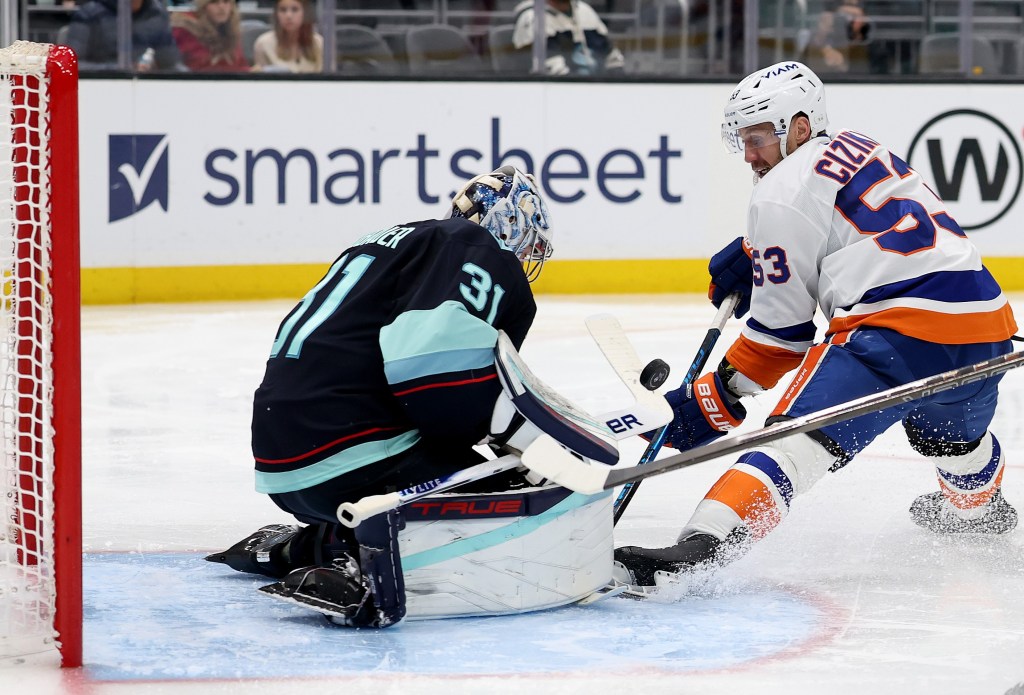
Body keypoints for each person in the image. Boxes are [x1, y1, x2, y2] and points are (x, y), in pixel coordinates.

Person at [614, 60, 1019, 589]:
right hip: (987, 328)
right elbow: (858, 225)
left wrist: (718, 395)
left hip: (895, 336)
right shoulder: (858, 145)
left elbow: (779, 340)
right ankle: (978, 512)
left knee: (793, 442)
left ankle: (700, 548)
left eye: (759, 138)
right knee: (952, 437)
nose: (749, 155)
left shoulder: (778, 191)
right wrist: (758, 252)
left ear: (800, 127)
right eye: (742, 140)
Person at [208, 166, 568, 628]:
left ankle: (301, 545)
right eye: (528, 245)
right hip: (354, 449)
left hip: (284, 452)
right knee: (518, 504)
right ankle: (346, 553)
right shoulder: (478, 248)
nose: (524, 259)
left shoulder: (390, 242)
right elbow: (429, 369)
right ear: (511, 227)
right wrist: (517, 437)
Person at [511, 0, 625, 76]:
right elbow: (553, 72)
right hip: (555, 98)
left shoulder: (584, 11)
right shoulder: (532, 17)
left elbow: (613, 58)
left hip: (598, 91)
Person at [64, 0, 182, 71]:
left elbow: (170, 63)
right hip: (100, 88)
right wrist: (117, 69)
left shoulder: (157, 14)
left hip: (146, 89)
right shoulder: (89, 15)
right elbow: (71, 65)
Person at [170, 0, 249, 72]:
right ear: (203, 7)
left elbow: (241, 67)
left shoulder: (231, 32)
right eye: (214, 2)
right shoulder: (183, 30)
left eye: (226, 1)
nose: (221, 7)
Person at [252, 0, 323, 73]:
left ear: (305, 13)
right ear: (276, 14)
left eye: (295, 9)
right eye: (283, 10)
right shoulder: (263, 44)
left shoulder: (319, 43)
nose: (288, 16)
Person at [805, 0, 872, 73]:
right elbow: (805, 63)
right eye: (843, 16)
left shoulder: (872, 42)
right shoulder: (824, 39)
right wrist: (822, 36)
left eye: (853, 16)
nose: (847, 21)